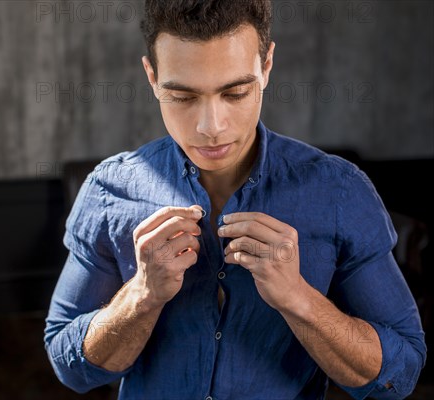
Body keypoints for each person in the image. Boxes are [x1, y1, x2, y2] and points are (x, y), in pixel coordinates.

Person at [44, 1, 426, 398]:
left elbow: (401, 373)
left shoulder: (340, 191)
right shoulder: (109, 191)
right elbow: (69, 367)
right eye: (183, 97)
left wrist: (299, 300)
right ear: (152, 76)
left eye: (235, 92)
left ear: (267, 67)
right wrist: (141, 296)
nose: (211, 127)